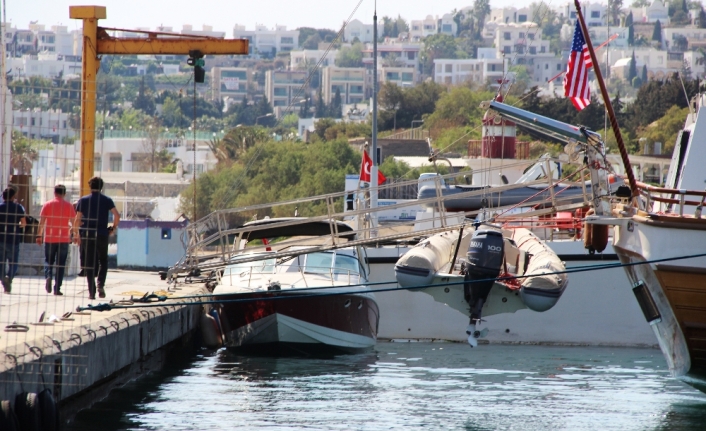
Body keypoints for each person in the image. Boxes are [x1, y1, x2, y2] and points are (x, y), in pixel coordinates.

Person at [75, 177, 120, 300]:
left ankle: (91, 292)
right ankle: (100, 285)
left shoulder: (83, 200)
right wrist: (113, 228)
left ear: (90, 186)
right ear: (102, 187)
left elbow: (77, 219)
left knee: (89, 264)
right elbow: (117, 215)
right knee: (103, 261)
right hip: (102, 234)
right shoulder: (106, 200)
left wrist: (76, 233)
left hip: (88, 234)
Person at [36, 184, 78, 296]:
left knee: (48, 261)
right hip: (63, 239)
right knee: (61, 264)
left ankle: (48, 276)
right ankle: (57, 288)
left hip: (49, 238)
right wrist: (75, 235)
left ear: (54, 193)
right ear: (64, 194)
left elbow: (42, 222)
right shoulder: (69, 206)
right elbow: (74, 223)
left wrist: (39, 236)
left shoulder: (47, 205)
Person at [0, 187, 27, 293]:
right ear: (12, 196)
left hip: (1, 238)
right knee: (13, 262)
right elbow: (23, 223)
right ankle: (9, 278)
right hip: (13, 239)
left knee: (1, 263)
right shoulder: (18, 207)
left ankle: (3, 280)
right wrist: (17, 226)